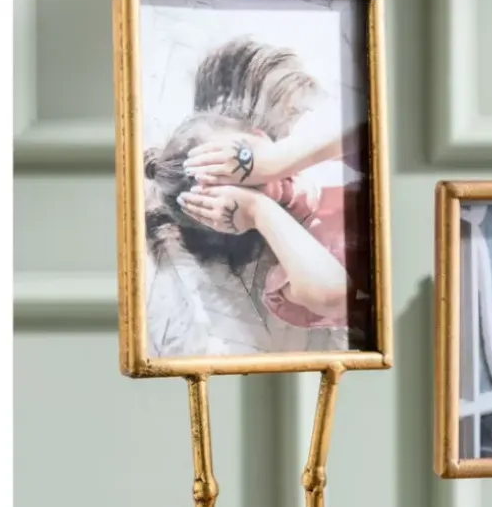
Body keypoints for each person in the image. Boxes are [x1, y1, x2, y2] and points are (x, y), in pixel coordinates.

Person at [142, 37, 369, 331]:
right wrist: (259, 211)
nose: (267, 188)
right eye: (238, 195)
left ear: (258, 134)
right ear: (225, 225)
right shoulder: (291, 275)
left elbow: (377, 124)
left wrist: (272, 161)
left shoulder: (320, 138)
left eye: (243, 168)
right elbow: (336, 297)